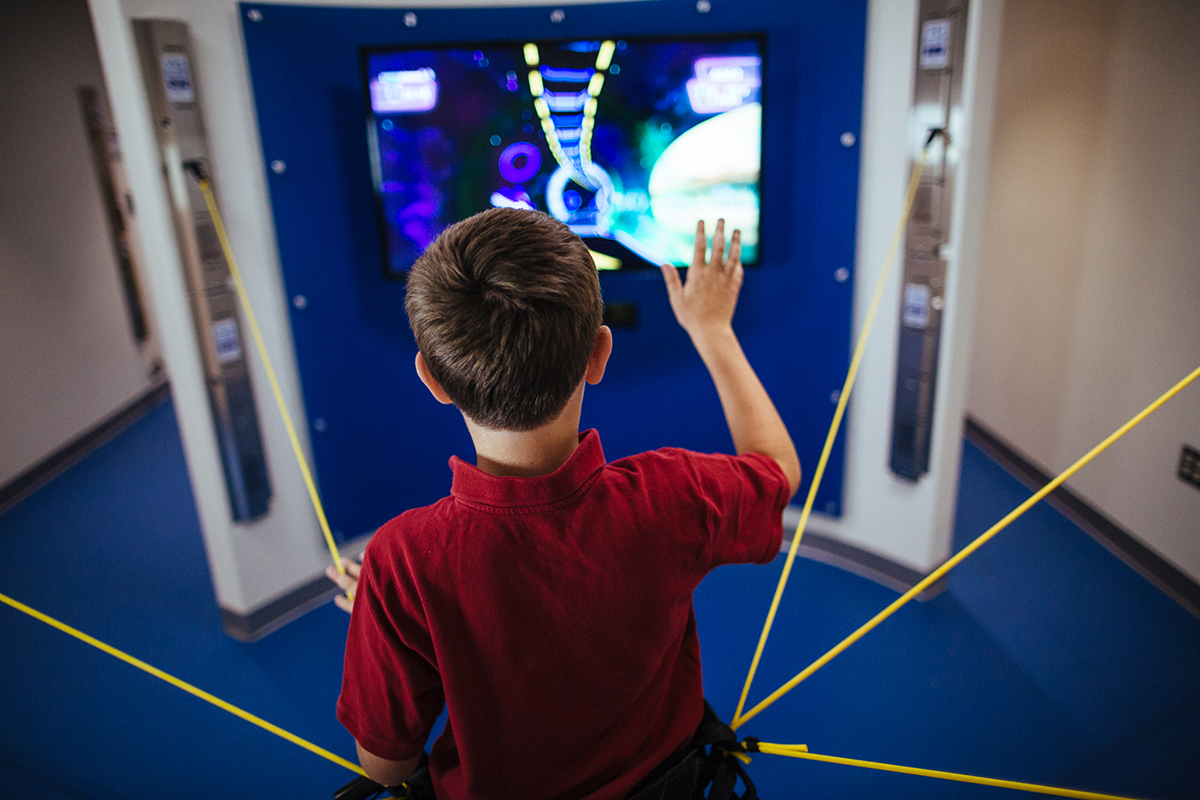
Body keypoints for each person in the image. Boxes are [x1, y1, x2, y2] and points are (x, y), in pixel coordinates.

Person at [329, 208, 800, 799]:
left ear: (433, 380)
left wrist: (383, 611)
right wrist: (712, 330)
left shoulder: (403, 561)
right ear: (599, 354)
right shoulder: (674, 494)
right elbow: (777, 472)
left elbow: (384, 768)